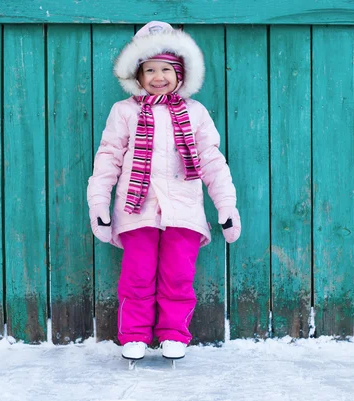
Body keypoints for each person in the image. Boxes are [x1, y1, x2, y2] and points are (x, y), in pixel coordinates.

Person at [87, 21, 241, 362]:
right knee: (137, 276)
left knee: (178, 276)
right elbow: (108, 158)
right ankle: (135, 335)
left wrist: (226, 206)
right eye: (150, 69)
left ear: (180, 74)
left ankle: (174, 333)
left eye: (166, 69)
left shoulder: (195, 113)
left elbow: (212, 160)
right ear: (137, 76)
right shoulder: (124, 112)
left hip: (183, 210)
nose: (158, 76)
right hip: (137, 208)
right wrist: (98, 203)